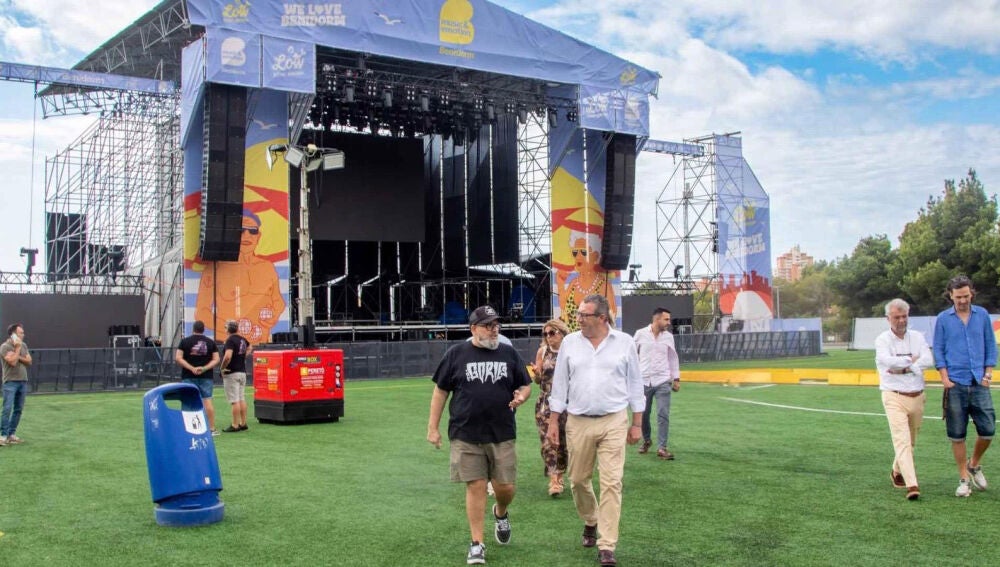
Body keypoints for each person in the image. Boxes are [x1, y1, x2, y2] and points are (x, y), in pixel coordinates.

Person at [426, 305, 532, 565]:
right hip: (466, 433)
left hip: (502, 432)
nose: (494, 330)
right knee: (475, 485)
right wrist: (432, 428)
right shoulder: (456, 354)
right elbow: (441, 391)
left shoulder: (508, 353)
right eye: (488, 326)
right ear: (473, 328)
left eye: (496, 325)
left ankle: (501, 511)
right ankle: (477, 543)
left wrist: (522, 396)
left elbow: (525, 384)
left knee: (505, 487)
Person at [547, 294, 644, 567]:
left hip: (614, 420)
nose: (578, 319)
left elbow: (635, 383)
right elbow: (560, 385)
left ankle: (607, 545)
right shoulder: (570, 342)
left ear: (602, 318)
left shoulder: (624, 342)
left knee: (612, 482)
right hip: (578, 421)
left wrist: (637, 423)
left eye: (584, 315)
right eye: (578, 314)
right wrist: (553, 421)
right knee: (578, 480)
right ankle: (591, 519)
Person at [933, 275, 997, 497]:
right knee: (957, 434)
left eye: (966, 296)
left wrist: (987, 374)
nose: (962, 300)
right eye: (958, 297)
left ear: (972, 294)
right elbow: (938, 349)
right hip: (955, 383)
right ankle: (963, 479)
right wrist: (944, 377)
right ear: (951, 295)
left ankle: (974, 464)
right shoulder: (943, 319)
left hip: (979, 382)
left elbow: (990, 345)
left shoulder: (982, 315)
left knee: (988, 430)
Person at [194, 209, 286, 344]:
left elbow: (279, 302)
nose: (247, 235)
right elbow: (202, 313)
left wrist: (274, 315)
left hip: (261, 344)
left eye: (252, 231)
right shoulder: (215, 269)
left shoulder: (267, 267)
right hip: (228, 343)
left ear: (258, 236)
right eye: (241, 230)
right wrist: (233, 329)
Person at [875, 298, 933, 501]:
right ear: (888, 318)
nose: (901, 320)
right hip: (894, 396)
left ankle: (896, 470)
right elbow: (887, 361)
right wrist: (912, 361)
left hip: (917, 395)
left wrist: (905, 367)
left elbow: (928, 359)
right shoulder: (882, 340)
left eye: (904, 316)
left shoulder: (917, 337)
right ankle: (912, 484)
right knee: (902, 440)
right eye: (896, 317)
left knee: (911, 440)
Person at [633, 307, 681, 460]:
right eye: (666, 319)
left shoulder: (669, 337)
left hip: (663, 381)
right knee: (643, 414)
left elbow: (673, 357)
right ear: (657, 319)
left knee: (663, 414)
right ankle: (647, 440)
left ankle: (662, 447)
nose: (669, 322)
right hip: (643, 381)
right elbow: (632, 355)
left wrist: (676, 378)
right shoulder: (640, 334)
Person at [532, 318, 571, 497]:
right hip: (546, 402)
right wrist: (536, 374)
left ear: (562, 333)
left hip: (568, 402)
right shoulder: (543, 352)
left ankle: (561, 475)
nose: (548, 336)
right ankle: (554, 480)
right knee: (548, 441)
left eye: (552, 333)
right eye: (545, 334)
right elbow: (538, 379)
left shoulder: (571, 351)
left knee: (564, 441)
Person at [558, 230, 617, 331]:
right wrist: (560, 282)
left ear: (595, 256)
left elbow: (612, 314)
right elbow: (563, 307)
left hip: (595, 337)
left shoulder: (603, 285)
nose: (578, 256)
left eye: (583, 252)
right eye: (575, 252)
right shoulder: (574, 283)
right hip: (573, 339)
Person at [175, 320, 221, 436]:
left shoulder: (185, 341)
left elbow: (178, 358)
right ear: (203, 330)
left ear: (193, 329)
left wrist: (191, 368)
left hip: (188, 375)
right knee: (207, 400)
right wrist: (204, 368)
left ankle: (187, 429)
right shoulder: (210, 342)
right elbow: (216, 359)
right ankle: (211, 429)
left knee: (187, 402)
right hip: (206, 376)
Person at [0, 323, 32, 446]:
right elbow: (12, 362)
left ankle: (11, 435)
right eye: (21, 333)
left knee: (18, 409)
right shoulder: (5, 347)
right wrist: (17, 349)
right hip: (10, 382)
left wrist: (17, 356)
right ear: (13, 334)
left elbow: (29, 361)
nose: (23, 335)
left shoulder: (24, 345)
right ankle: (3, 436)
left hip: (23, 381)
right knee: (7, 409)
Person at [220, 320, 252, 433]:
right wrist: (242, 357)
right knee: (241, 398)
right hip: (242, 372)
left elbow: (228, 356)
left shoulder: (230, 340)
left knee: (234, 400)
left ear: (228, 329)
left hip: (232, 372)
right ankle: (243, 423)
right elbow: (250, 347)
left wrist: (222, 368)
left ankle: (235, 424)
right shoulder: (242, 339)